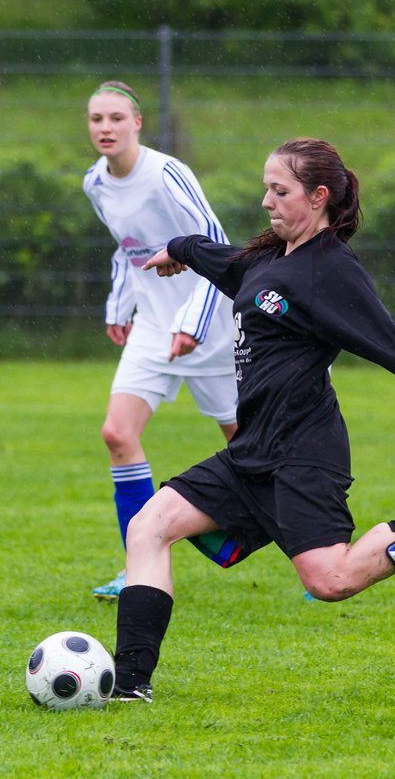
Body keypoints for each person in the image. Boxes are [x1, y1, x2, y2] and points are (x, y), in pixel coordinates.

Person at [109, 138, 395, 702]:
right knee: (148, 527)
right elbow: (226, 263)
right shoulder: (269, 260)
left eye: (280, 191)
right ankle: (128, 686)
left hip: (305, 454)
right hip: (251, 451)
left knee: (332, 581)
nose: (266, 201)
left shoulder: (331, 272)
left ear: (318, 196)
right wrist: (179, 247)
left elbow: (388, 343)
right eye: (266, 188)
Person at [83, 80, 240, 601]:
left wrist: (192, 322)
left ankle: (316, 554)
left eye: (115, 118)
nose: (105, 128)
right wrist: (118, 306)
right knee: (116, 433)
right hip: (152, 327)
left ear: (137, 123)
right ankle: (137, 567)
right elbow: (125, 250)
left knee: (249, 448)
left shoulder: (166, 172)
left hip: (209, 325)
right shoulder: (95, 183)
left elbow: (217, 245)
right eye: (96, 119)